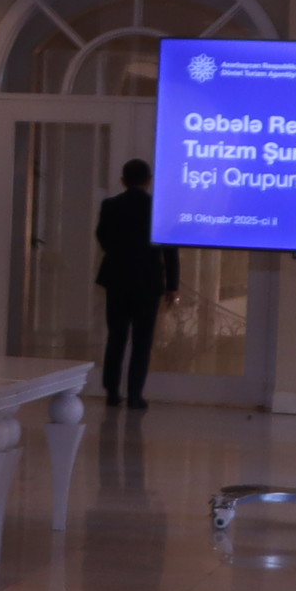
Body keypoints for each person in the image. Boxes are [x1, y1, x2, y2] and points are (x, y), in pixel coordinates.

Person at [94, 160, 178, 409]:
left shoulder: (110, 205)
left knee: (116, 337)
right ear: (149, 180)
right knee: (142, 341)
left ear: (123, 180)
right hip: (148, 281)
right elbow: (170, 250)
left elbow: (102, 236)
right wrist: (172, 285)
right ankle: (134, 394)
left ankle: (112, 391)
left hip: (117, 279)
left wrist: (120, 252)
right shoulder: (159, 208)